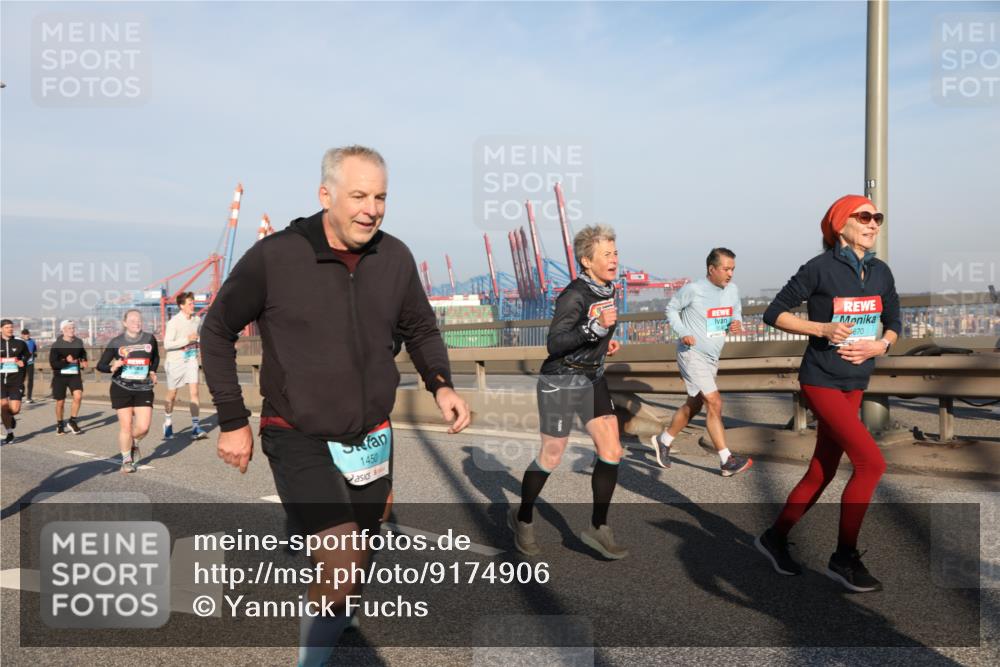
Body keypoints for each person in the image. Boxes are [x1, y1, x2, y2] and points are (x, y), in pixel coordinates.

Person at [201, 145, 470, 665]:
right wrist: (233, 421)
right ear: (326, 196)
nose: (372, 209)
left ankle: (334, 605)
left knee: (362, 546)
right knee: (344, 555)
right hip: (296, 429)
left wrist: (442, 384)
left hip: (371, 433)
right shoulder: (276, 256)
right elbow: (217, 330)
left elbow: (419, 327)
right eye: (359, 196)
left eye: (381, 197)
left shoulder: (394, 257)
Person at [755, 194, 900, 593]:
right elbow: (774, 313)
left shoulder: (881, 272)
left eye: (878, 218)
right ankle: (844, 557)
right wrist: (821, 329)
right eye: (864, 217)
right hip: (820, 379)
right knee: (871, 464)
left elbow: (894, 322)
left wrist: (880, 345)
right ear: (841, 225)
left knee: (824, 468)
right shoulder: (819, 269)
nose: (873, 224)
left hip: (856, 382)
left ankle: (774, 537)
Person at [509, 224, 628, 560]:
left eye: (615, 252)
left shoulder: (608, 289)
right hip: (561, 378)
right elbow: (556, 342)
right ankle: (523, 518)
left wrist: (604, 344)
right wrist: (593, 330)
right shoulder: (573, 294)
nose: (614, 259)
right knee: (552, 455)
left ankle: (598, 527)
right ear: (586, 261)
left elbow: (594, 333)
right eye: (606, 254)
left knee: (612, 450)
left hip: (592, 378)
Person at [648, 248, 753, 476]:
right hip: (691, 353)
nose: (730, 274)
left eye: (733, 269)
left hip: (711, 357)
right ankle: (726, 460)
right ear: (711, 269)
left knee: (694, 405)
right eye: (726, 269)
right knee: (714, 402)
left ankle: (663, 440)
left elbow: (736, 311)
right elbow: (671, 309)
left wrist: (736, 322)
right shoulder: (693, 290)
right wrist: (683, 331)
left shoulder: (732, 290)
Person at [97, 309, 159, 473]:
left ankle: (134, 442)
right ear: (125, 323)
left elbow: (155, 358)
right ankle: (126, 460)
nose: (136, 323)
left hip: (144, 387)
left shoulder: (149, 339)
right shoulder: (117, 342)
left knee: (144, 427)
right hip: (121, 387)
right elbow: (100, 365)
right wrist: (112, 366)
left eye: (139, 320)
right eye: (132, 320)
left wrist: (152, 371)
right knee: (126, 426)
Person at [162, 291, 208, 439]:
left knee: (194, 393)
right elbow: (167, 345)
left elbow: (197, 337)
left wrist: (199, 341)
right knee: (172, 394)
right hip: (175, 361)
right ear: (181, 306)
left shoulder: (197, 320)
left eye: (193, 302)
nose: (193, 305)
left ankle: (196, 427)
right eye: (190, 303)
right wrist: (187, 340)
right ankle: (168, 422)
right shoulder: (173, 322)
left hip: (191, 360)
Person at [49, 320, 88, 435]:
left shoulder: (78, 342)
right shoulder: (56, 345)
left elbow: (82, 353)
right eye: (69, 328)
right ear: (63, 330)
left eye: (73, 328)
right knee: (60, 402)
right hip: (60, 377)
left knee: (78, 396)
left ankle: (72, 421)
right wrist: (66, 361)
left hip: (74, 375)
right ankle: (60, 423)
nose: (72, 330)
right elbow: (53, 364)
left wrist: (83, 360)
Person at [1, 319, 30, 444]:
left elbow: (27, 355)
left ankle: (11, 417)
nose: (10, 329)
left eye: (11, 327)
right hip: (0, 380)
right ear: (1, 329)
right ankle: (9, 433)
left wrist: (22, 361)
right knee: (3, 406)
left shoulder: (20, 343)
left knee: (15, 409)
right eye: (7, 327)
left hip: (16, 380)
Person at [20, 329, 38, 403]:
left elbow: (34, 351)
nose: (26, 336)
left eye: (27, 334)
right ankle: (20, 395)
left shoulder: (32, 341)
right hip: (22, 363)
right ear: (22, 335)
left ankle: (29, 397)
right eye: (25, 334)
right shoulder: (19, 342)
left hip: (30, 363)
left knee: (30, 380)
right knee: (21, 380)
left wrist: (34, 355)